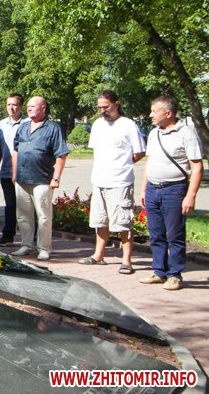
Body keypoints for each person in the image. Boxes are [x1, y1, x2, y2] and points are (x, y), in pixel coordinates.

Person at [139, 95, 204, 291]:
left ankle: (175, 275)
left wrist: (190, 196)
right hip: (153, 189)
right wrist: (144, 189)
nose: (150, 115)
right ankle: (159, 271)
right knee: (155, 234)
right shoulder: (154, 133)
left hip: (174, 190)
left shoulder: (186, 134)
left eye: (154, 111)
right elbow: (150, 163)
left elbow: (197, 167)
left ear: (168, 113)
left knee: (175, 234)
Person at [78, 90, 145, 274]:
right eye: (100, 107)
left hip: (120, 182)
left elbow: (140, 152)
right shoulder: (98, 124)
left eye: (106, 107)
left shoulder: (128, 125)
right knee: (100, 220)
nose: (103, 111)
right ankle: (98, 255)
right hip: (99, 180)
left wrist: (123, 164)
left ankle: (126, 260)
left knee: (123, 222)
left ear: (116, 104)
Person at [11, 96, 69, 261]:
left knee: (43, 216)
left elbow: (61, 154)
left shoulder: (53, 128)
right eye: (28, 106)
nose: (29, 109)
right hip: (22, 178)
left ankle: (44, 248)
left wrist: (56, 178)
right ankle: (26, 245)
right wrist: (14, 173)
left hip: (42, 179)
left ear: (43, 108)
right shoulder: (23, 127)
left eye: (33, 106)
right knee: (23, 215)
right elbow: (16, 150)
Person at [0, 93, 27, 246]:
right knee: (10, 205)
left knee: (27, 206)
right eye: (8, 104)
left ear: (21, 106)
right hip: (6, 172)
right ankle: (8, 235)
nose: (11, 108)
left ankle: (31, 238)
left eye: (14, 104)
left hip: (24, 172)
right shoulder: (2, 124)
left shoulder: (28, 123)